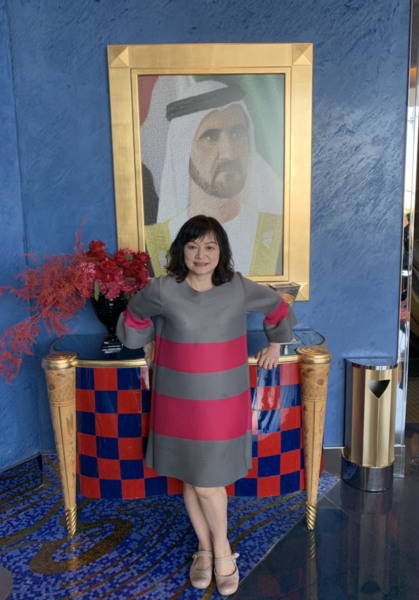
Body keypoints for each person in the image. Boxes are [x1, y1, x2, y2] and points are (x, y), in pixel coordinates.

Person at [117, 215, 296, 595]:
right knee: (192, 476)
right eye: (193, 245)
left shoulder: (238, 287)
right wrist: (147, 342)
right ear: (182, 249)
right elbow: (134, 315)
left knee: (206, 482)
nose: (201, 254)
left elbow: (276, 307)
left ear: (221, 251)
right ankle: (209, 549)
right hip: (177, 399)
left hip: (223, 401)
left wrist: (275, 344)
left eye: (210, 246)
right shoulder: (163, 289)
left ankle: (221, 550)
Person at [143, 79, 284, 277]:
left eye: (237, 133)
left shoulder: (280, 235)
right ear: (183, 151)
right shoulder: (152, 245)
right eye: (210, 137)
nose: (228, 153)